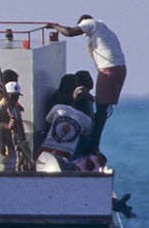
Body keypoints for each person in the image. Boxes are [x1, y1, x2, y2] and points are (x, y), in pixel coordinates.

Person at [47, 15, 125, 152]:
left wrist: (55, 26)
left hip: (109, 70)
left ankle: (93, 146)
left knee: (101, 111)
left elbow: (69, 32)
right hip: (118, 69)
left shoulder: (90, 23)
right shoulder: (102, 31)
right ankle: (93, 143)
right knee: (102, 109)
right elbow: (93, 53)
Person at [35, 98, 92, 173]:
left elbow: (48, 120)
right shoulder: (87, 120)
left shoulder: (58, 107)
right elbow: (86, 133)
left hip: (46, 147)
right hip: (65, 153)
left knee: (36, 170)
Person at [0, 82, 25, 172]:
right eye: (13, 96)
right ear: (6, 95)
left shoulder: (15, 110)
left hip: (12, 150)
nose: (15, 99)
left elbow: (20, 130)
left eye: (17, 96)